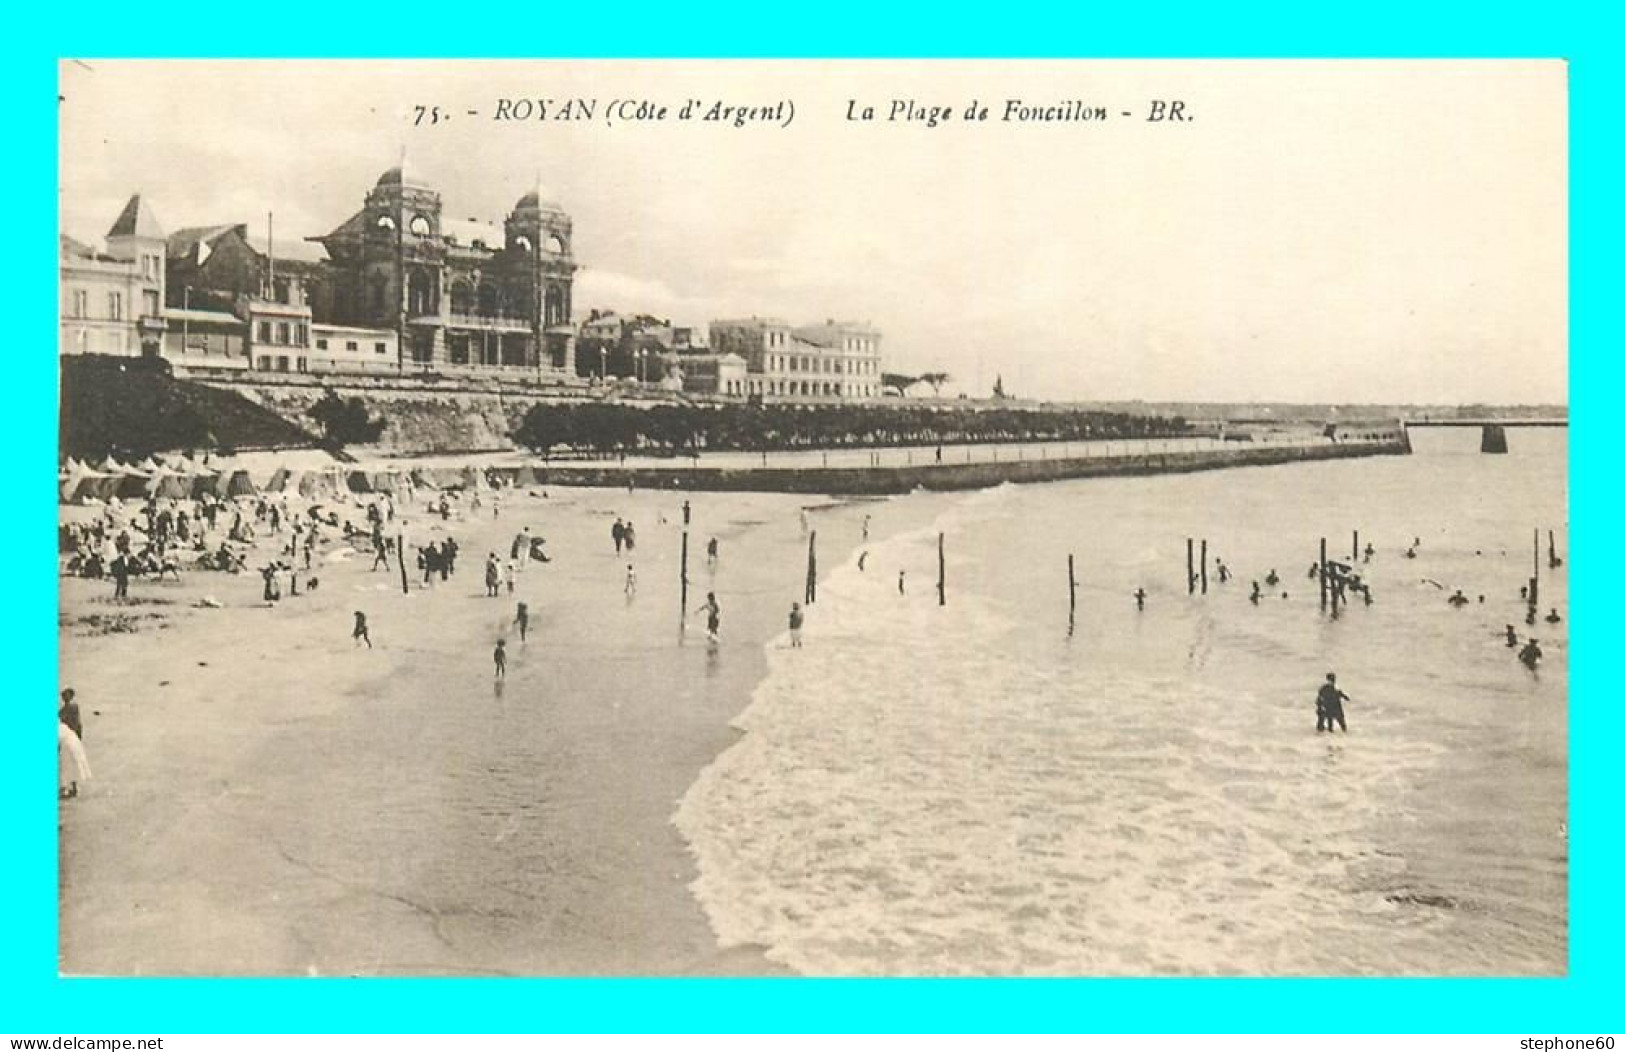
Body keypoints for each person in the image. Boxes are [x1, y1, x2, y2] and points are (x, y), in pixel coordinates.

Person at [59, 717, 91, 800]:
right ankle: (74, 787)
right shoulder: (62, 726)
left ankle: (64, 789)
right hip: (74, 742)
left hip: (67, 745)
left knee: (65, 766)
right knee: (73, 766)